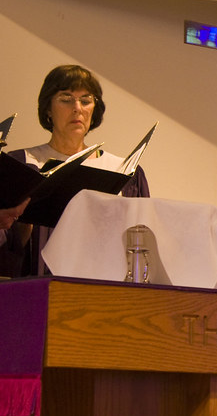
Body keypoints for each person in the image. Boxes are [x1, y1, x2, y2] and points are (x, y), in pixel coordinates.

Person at [0, 65, 150, 276]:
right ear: (48, 109)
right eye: (66, 99)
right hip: (38, 289)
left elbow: (140, 243)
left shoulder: (125, 173)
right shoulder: (22, 164)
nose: (77, 108)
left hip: (104, 292)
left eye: (86, 100)